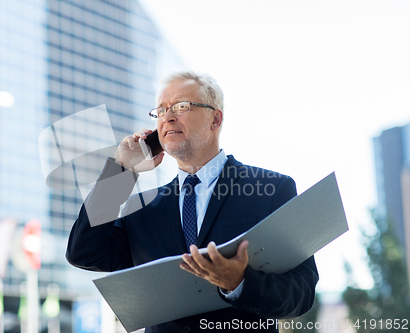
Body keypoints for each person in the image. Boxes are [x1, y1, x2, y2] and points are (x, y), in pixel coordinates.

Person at [66, 71, 319, 333]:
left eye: (181, 106)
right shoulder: (141, 209)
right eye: (161, 110)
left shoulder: (271, 190)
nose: (168, 117)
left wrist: (240, 282)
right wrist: (121, 171)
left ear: (215, 119)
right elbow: (84, 252)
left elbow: (301, 292)